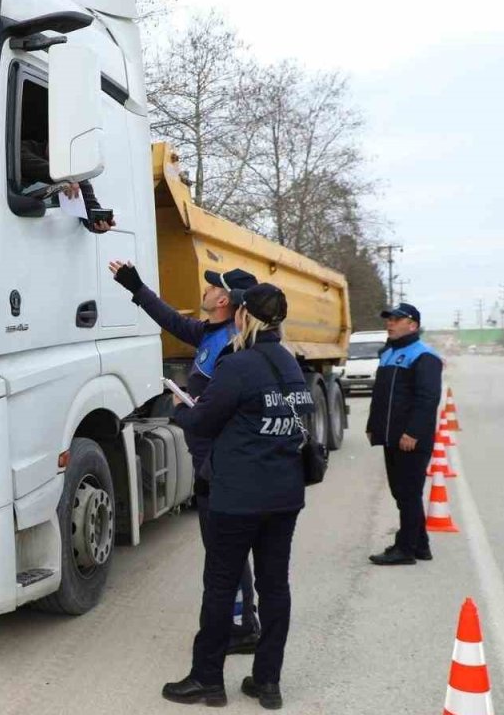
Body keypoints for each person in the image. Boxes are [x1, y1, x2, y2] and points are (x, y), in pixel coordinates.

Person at [161, 283, 311, 709]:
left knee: (221, 587)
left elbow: (202, 421)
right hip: (284, 496)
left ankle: (207, 681)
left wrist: (182, 408)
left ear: (243, 314)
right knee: (275, 587)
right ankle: (267, 682)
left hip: (237, 497)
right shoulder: (289, 363)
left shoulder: (238, 365)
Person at [111, 262, 263, 654]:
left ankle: (243, 625)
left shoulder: (235, 343)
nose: (207, 289)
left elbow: (228, 405)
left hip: (221, 463)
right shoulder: (213, 333)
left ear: (224, 300)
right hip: (208, 459)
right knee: (221, 550)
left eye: (213, 287)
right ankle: (241, 618)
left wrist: (188, 412)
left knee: (225, 551)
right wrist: (137, 288)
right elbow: (173, 323)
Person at [366, 303, 443, 566]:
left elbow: (428, 399)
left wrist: (413, 432)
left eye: (397, 319)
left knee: (408, 494)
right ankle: (421, 545)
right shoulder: (388, 353)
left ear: (413, 325)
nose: (390, 323)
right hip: (391, 437)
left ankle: (405, 548)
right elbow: (381, 396)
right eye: (389, 319)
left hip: (410, 439)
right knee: (402, 493)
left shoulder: (424, 356)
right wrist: (372, 425)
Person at [19, 139, 115, 233]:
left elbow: (90, 209)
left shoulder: (77, 175)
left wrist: (100, 224)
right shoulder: (26, 147)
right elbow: (23, 159)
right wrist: (63, 177)